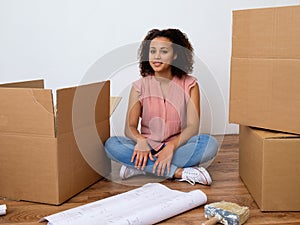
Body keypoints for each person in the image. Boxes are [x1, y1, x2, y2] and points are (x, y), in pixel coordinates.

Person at [104, 28, 219, 185]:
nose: (156, 56)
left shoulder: (190, 84)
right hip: (146, 148)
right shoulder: (139, 86)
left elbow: (193, 126)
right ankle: (178, 172)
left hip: (177, 147)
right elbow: (129, 127)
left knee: (209, 144)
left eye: (164, 51)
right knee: (112, 145)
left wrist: (171, 147)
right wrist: (140, 141)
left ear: (176, 55)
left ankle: (141, 167)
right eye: (152, 51)